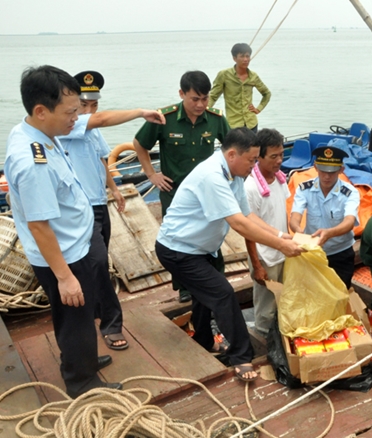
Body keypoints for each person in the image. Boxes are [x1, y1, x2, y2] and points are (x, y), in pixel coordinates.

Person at [4, 65, 126, 397]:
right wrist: (64, 276)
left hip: (76, 244)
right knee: (75, 318)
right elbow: (39, 225)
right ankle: (82, 383)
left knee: (81, 318)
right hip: (66, 255)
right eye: (71, 112)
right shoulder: (33, 161)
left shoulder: (37, 133)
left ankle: (81, 361)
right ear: (41, 111)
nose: (78, 118)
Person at [155, 128, 303, 382]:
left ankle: (204, 340)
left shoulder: (234, 175)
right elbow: (239, 224)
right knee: (222, 293)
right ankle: (242, 356)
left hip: (201, 249)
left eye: (257, 160)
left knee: (204, 297)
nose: (254, 166)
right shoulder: (212, 177)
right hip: (178, 250)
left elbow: (249, 216)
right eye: (251, 160)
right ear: (232, 154)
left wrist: (280, 237)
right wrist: (282, 248)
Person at [58, 70, 166, 350]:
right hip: (79, 209)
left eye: (94, 105)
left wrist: (114, 190)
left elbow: (101, 161)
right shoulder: (71, 127)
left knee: (98, 261)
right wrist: (142, 112)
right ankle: (111, 323)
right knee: (95, 262)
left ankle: (94, 311)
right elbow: (103, 120)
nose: (90, 110)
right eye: (84, 105)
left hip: (98, 203)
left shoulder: (91, 132)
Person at [134, 70, 230, 303]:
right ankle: (184, 287)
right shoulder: (163, 118)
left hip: (207, 191)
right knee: (179, 241)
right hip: (174, 191)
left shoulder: (215, 118)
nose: (200, 104)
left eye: (205, 99)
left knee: (212, 234)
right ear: (181, 94)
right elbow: (139, 144)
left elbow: (231, 148)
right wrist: (151, 174)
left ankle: (216, 278)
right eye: (194, 99)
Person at [290, 146, 360, 289]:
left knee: (340, 292)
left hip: (340, 253)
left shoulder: (350, 193)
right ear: (315, 167)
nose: (327, 176)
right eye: (323, 171)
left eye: (332, 172)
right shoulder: (304, 188)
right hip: (313, 253)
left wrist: (329, 233)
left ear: (341, 170)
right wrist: (298, 230)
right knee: (312, 292)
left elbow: (349, 221)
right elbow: (295, 216)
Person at [244, 128, 290, 336]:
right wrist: (256, 264)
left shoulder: (280, 179)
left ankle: (279, 337)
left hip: (283, 251)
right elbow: (248, 230)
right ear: (258, 157)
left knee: (283, 298)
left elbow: (283, 213)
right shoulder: (251, 188)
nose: (279, 160)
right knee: (265, 306)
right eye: (273, 156)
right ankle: (262, 338)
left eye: (281, 155)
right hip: (265, 256)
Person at [209, 43, 271, 132]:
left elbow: (267, 94)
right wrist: (205, 112)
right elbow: (213, 96)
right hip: (233, 125)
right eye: (242, 56)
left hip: (251, 124)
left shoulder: (253, 76)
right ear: (234, 58)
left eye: (247, 56)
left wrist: (258, 109)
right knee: (235, 146)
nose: (245, 59)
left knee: (252, 146)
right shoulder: (224, 75)